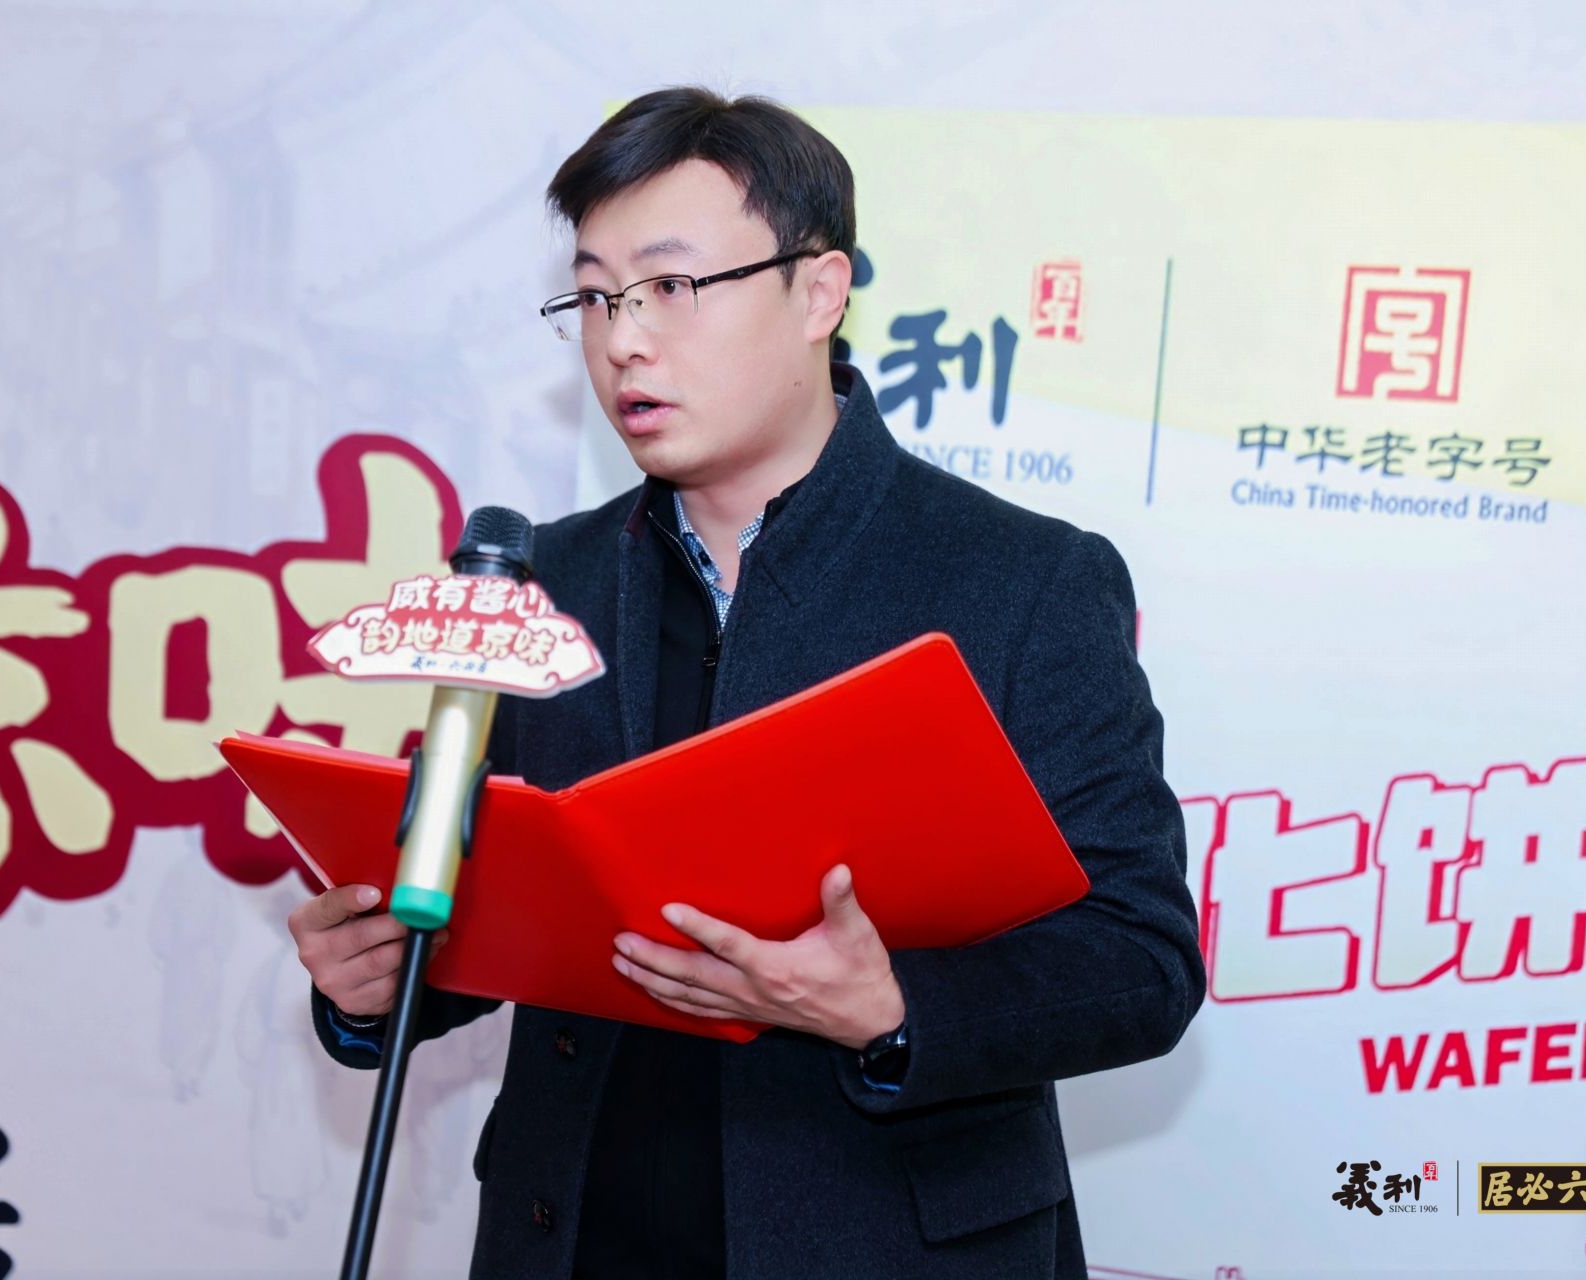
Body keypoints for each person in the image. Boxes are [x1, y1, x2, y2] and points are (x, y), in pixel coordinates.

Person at [288, 86, 1204, 1279]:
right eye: (595, 296)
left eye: (670, 287)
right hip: (574, 1240)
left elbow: (1141, 958)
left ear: (818, 291)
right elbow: (512, 909)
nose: (623, 340)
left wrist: (890, 1004)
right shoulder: (545, 576)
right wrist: (376, 980)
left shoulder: (1023, 580)